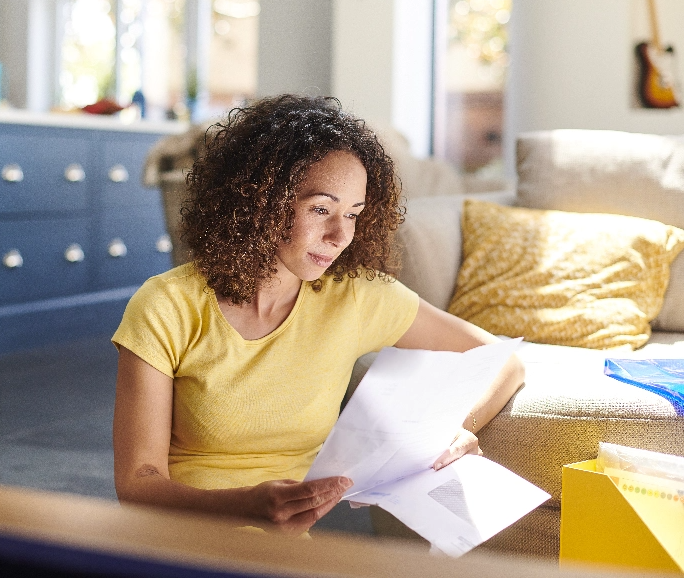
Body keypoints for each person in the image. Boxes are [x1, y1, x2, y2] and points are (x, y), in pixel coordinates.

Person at [112, 94, 524, 535]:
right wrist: (245, 506)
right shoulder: (166, 305)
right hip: (176, 537)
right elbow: (137, 483)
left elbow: (503, 360)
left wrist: (459, 428)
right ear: (260, 200)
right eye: (321, 209)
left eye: (353, 213)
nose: (339, 235)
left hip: (282, 548)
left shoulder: (356, 297)